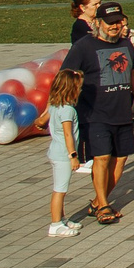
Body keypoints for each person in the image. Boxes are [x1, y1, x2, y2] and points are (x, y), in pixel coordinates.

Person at [61, 2, 134, 223]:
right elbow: (66, 76)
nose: (115, 26)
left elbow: (133, 73)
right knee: (102, 157)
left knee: (120, 159)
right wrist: (61, 109)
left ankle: (99, 202)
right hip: (93, 113)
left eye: (118, 21)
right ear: (98, 23)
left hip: (121, 112)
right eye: (110, 23)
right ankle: (105, 206)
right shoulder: (83, 46)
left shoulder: (126, 44)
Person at [43, 67, 84, 238]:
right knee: (60, 189)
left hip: (55, 152)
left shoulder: (54, 105)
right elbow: (68, 134)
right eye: (79, 88)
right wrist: (73, 156)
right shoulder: (68, 110)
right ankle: (55, 225)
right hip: (62, 156)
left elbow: (43, 120)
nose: (81, 90)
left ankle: (61, 218)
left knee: (61, 187)